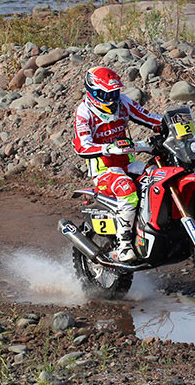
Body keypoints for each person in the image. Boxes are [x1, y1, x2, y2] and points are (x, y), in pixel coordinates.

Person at [72, 66, 162, 262]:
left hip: (128, 163)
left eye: (114, 92)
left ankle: (154, 229)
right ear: (93, 91)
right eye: (105, 94)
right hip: (104, 170)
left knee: (159, 175)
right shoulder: (84, 111)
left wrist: (173, 123)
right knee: (127, 188)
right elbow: (81, 147)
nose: (111, 98)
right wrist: (106, 148)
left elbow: (148, 117)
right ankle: (124, 244)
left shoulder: (123, 102)